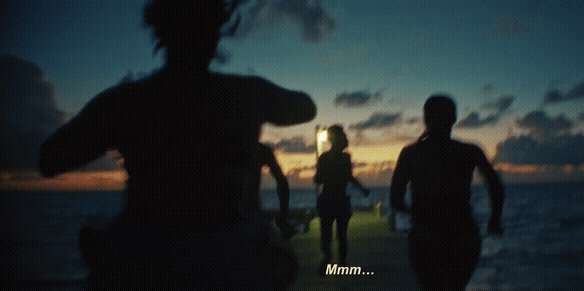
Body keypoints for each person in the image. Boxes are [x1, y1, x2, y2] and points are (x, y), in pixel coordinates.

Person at [39, 0, 316, 288]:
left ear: (161, 31)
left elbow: (49, 159)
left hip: (143, 257)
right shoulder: (245, 94)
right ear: (216, 33)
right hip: (226, 255)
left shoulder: (126, 101)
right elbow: (306, 108)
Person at [390, 95, 504, 290]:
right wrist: (494, 220)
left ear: (425, 119)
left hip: (425, 236)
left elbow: (395, 199)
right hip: (463, 234)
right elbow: (495, 185)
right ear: (454, 118)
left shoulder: (411, 153)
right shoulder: (470, 151)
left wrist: (416, 214)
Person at [314, 125, 370, 275]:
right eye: (343, 136)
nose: (346, 139)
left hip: (331, 198)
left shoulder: (331, 157)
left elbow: (318, 179)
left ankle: (332, 259)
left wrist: (361, 187)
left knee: (332, 233)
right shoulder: (339, 157)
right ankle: (338, 261)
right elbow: (346, 177)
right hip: (336, 198)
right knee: (338, 233)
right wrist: (361, 188)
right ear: (337, 139)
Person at [248, 143, 296, 239]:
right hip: (251, 209)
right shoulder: (261, 150)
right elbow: (282, 182)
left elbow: (282, 182)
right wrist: (283, 216)